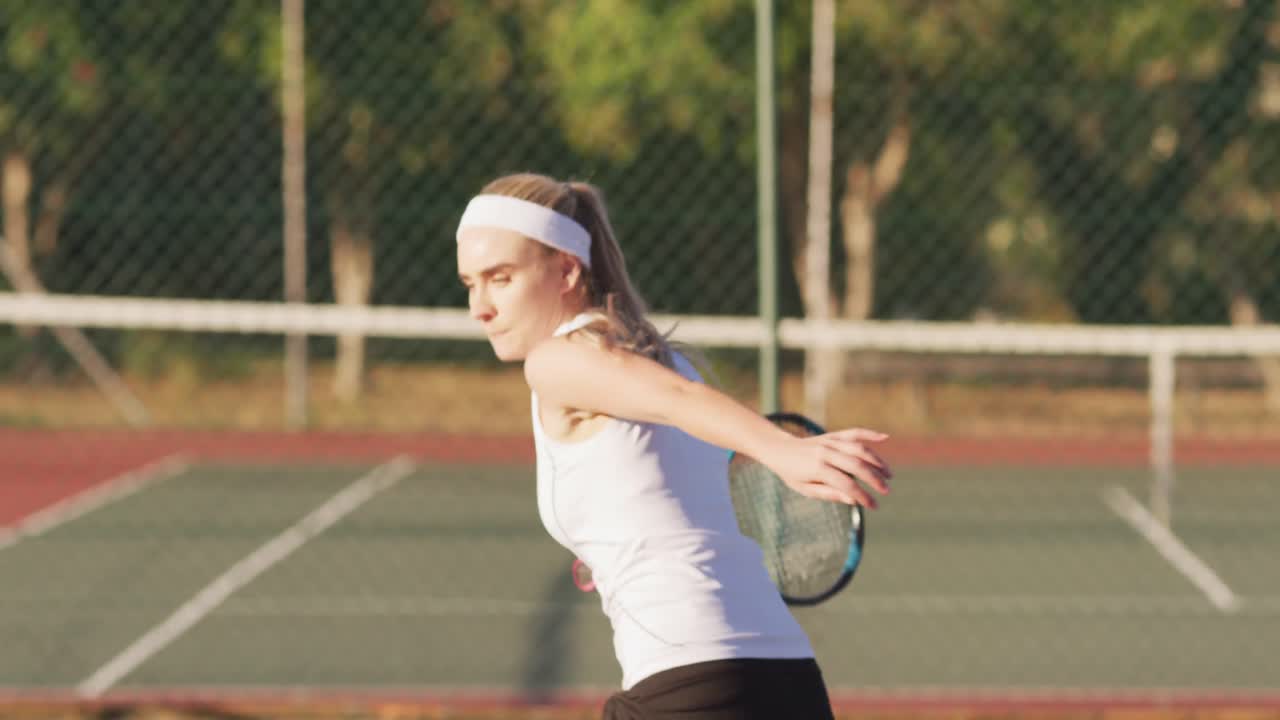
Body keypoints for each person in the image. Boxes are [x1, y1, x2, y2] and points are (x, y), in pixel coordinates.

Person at [455, 172, 892, 720]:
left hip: (692, 686)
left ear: (567, 269)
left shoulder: (556, 362)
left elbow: (674, 401)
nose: (480, 306)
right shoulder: (660, 354)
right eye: (470, 283)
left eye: (500, 278)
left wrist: (784, 451)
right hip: (789, 676)